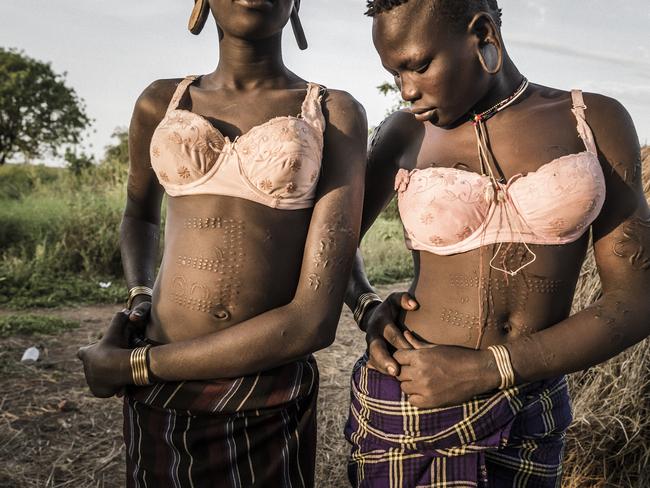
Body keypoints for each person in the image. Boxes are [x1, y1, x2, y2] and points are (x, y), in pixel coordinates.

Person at [344, 0, 650, 486]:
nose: (407, 92)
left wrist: (491, 369)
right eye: (394, 73)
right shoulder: (406, 133)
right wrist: (367, 306)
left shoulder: (591, 122)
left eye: (419, 66)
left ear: (483, 35)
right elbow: (336, 243)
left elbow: (636, 298)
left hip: (530, 411)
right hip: (411, 401)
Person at [77, 0, 367, 486]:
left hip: (268, 389)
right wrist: (139, 296)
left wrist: (134, 367)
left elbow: (313, 323)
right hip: (165, 399)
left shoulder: (333, 113)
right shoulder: (162, 102)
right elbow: (140, 214)